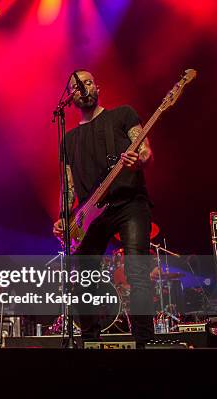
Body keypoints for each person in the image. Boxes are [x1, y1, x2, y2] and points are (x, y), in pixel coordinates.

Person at [52, 70, 154, 348]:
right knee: (82, 277)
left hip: (128, 203)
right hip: (91, 214)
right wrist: (64, 216)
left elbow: (144, 148)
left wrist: (139, 159)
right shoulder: (68, 140)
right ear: (69, 97)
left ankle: (145, 343)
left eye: (87, 82)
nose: (82, 88)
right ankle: (89, 342)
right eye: (76, 85)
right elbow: (68, 184)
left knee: (136, 271)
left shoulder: (122, 115)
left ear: (98, 87)